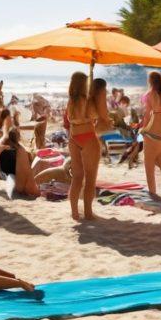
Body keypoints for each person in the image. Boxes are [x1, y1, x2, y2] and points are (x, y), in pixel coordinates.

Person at [65, 72, 100, 220]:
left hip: (74, 139)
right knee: (90, 178)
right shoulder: (87, 100)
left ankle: (74, 212)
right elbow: (95, 116)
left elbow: (71, 119)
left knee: (77, 177)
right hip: (88, 137)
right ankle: (88, 213)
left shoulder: (70, 102)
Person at [140, 71, 161, 199]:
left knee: (148, 162)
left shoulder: (149, 95)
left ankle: (152, 191)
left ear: (150, 81)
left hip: (155, 130)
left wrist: (143, 129)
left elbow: (147, 115)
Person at [0, 127, 40, 199]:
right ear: (18, 137)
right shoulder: (21, 150)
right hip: (13, 176)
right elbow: (27, 167)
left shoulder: (3, 148)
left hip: (4, 175)